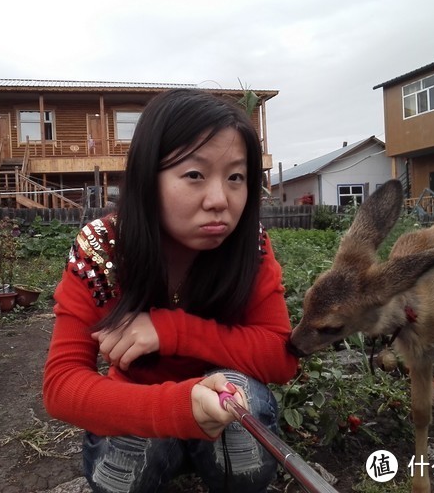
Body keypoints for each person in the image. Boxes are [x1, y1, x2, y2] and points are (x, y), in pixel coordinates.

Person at [43, 88, 298, 493]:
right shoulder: (102, 248)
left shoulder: (250, 245)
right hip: (145, 413)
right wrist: (178, 407)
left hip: (224, 414)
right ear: (148, 177)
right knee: (129, 456)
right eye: (194, 175)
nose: (219, 200)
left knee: (240, 397)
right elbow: (62, 384)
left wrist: (169, 330)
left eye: (236, 177)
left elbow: (281, 356)